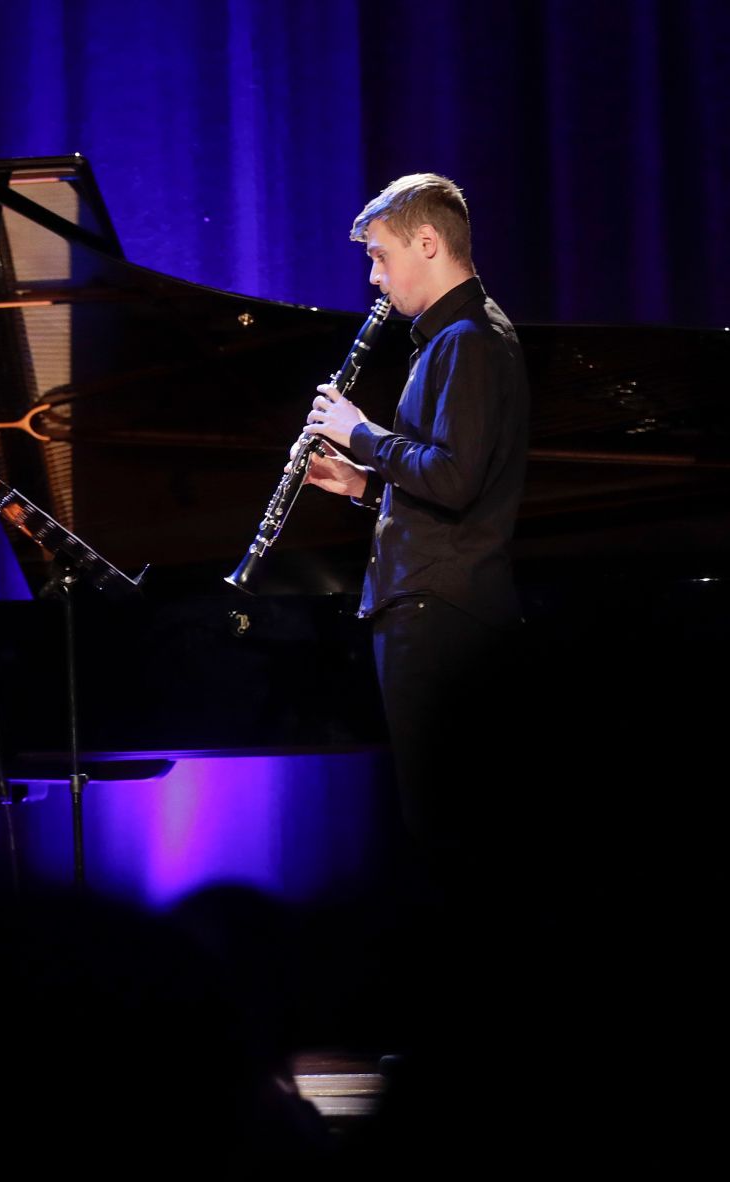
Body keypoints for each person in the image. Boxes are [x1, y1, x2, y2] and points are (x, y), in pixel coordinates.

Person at [298, 174, 530, 878]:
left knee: (441, 822)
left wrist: (360, 432)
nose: (375, 277)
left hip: (439, 610)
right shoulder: (459, 338)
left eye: (380, 256)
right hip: (438, 599)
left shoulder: (467, 339)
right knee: (439, 815)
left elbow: (455, 479)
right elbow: (453, 482)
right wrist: (362, 484)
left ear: (427, 243)